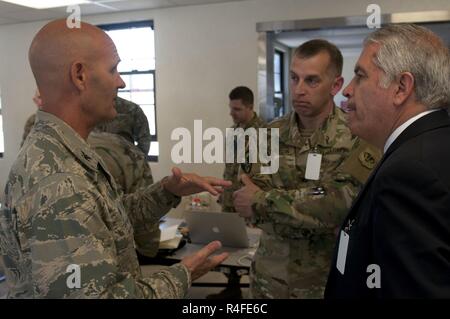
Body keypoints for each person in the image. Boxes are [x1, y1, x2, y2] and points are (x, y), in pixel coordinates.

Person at [0, 19, 231, 299]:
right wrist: (181, 276)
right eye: (113, 69)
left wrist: (166, 191)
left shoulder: (62, 154)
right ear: (80, 76)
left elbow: (104, 221)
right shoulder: (60, 181)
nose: (120, 81)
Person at [233, 39, 381, 298]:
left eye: (311, 81)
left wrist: (263, 201)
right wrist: (307, 206)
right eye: (294, 78)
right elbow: (244, 203)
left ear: (335, 85)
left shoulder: (358, 136)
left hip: (325, 281)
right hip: (269, 279)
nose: (299, 90)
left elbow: (339, 206)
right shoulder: (267, 136)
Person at [325, 24, 450, 298]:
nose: (347, 90)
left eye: (360, 76)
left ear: (401, 88)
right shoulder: (432, 145)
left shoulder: (410, 173)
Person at [87, 131, 159, 257]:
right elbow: (146, 227)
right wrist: (149, 250)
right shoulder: (129, 153)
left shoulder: (55, 144)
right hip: (109, 258)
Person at [218, 86, 265, 213]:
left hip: (249, 203)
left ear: (250, 107)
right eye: (231, 108)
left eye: (237, 109)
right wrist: (223, 196)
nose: (231, 113)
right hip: (229, 201)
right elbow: (229, 168)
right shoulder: (232, 131)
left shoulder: (265, 133)